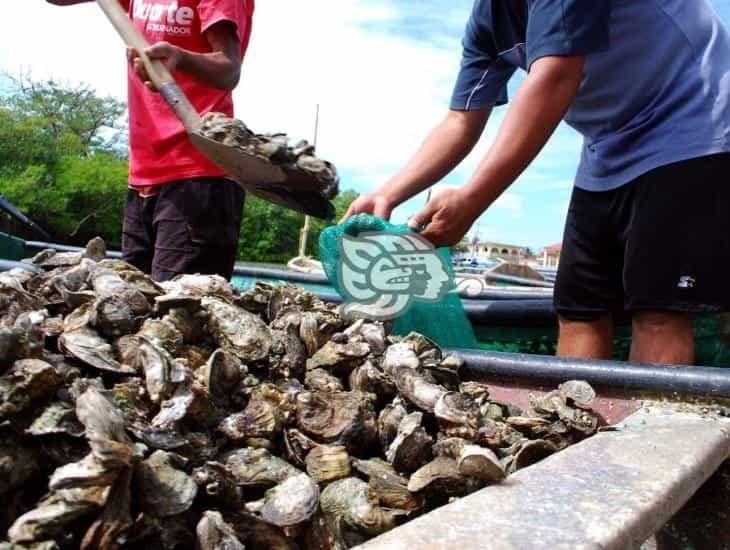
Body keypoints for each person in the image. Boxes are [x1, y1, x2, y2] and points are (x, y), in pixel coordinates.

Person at [344, 0, 730, 366]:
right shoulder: (487, 22)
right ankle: (574, 425)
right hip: (606, 147)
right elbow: (460, 122)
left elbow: (557, 74)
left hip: (694, 124)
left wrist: (472, 199)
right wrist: (388, 193)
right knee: (579, 308)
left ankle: (651, 435)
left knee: (658, 308)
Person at [46, 0, 254, 281]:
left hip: (199, 176)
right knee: (132, 304)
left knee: (179, 313)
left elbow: (229, 69)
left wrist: (180, 57)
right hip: (143, 176)